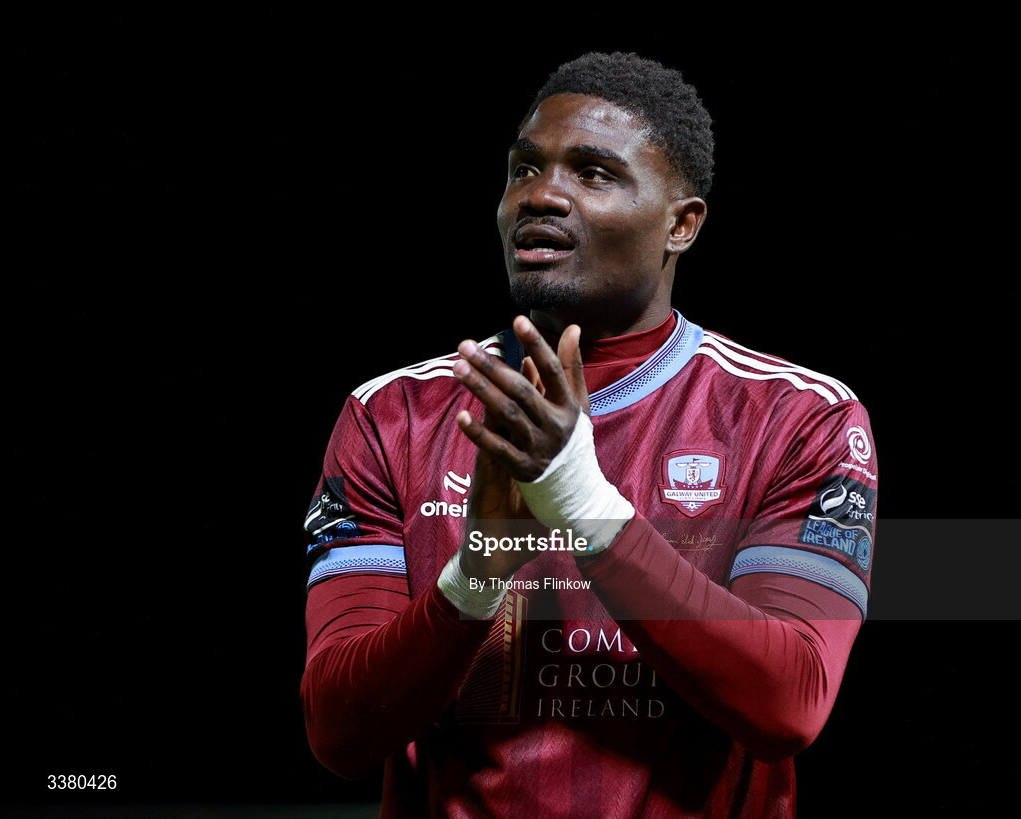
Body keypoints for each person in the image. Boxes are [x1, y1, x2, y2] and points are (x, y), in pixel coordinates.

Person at [300, 52, 877, 817]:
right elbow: (338, 734)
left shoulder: (799, 417)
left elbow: (789, 702)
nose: (541, 195)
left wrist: (583, 505)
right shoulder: (390, 416)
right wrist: (476, 571)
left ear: (682, 223)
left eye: (594, 173)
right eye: (523, 169)